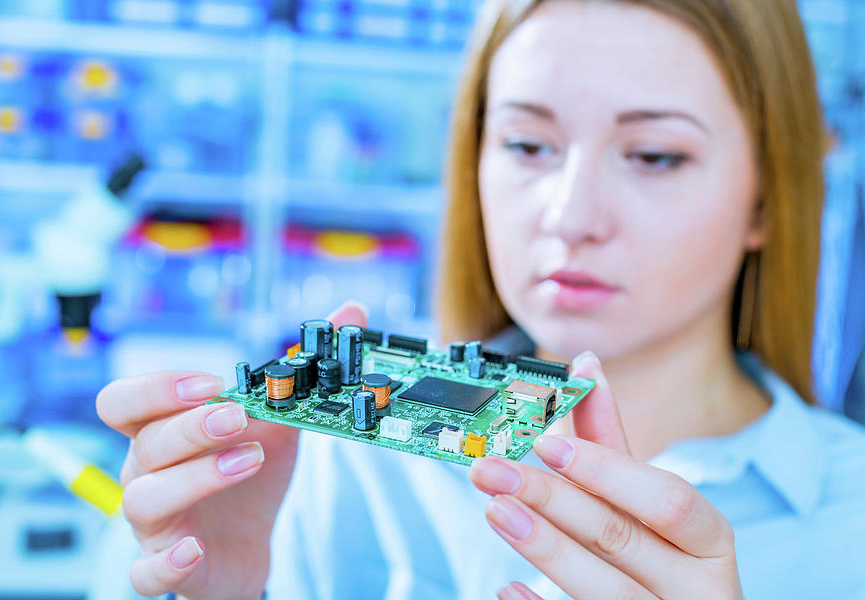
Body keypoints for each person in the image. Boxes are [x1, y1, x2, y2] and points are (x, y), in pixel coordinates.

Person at [96, 1, 865, 598]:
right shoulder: (314, 468)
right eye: (528, 145)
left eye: (655, 156)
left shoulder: (850, 524)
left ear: (767, 198)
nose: (569, 216)